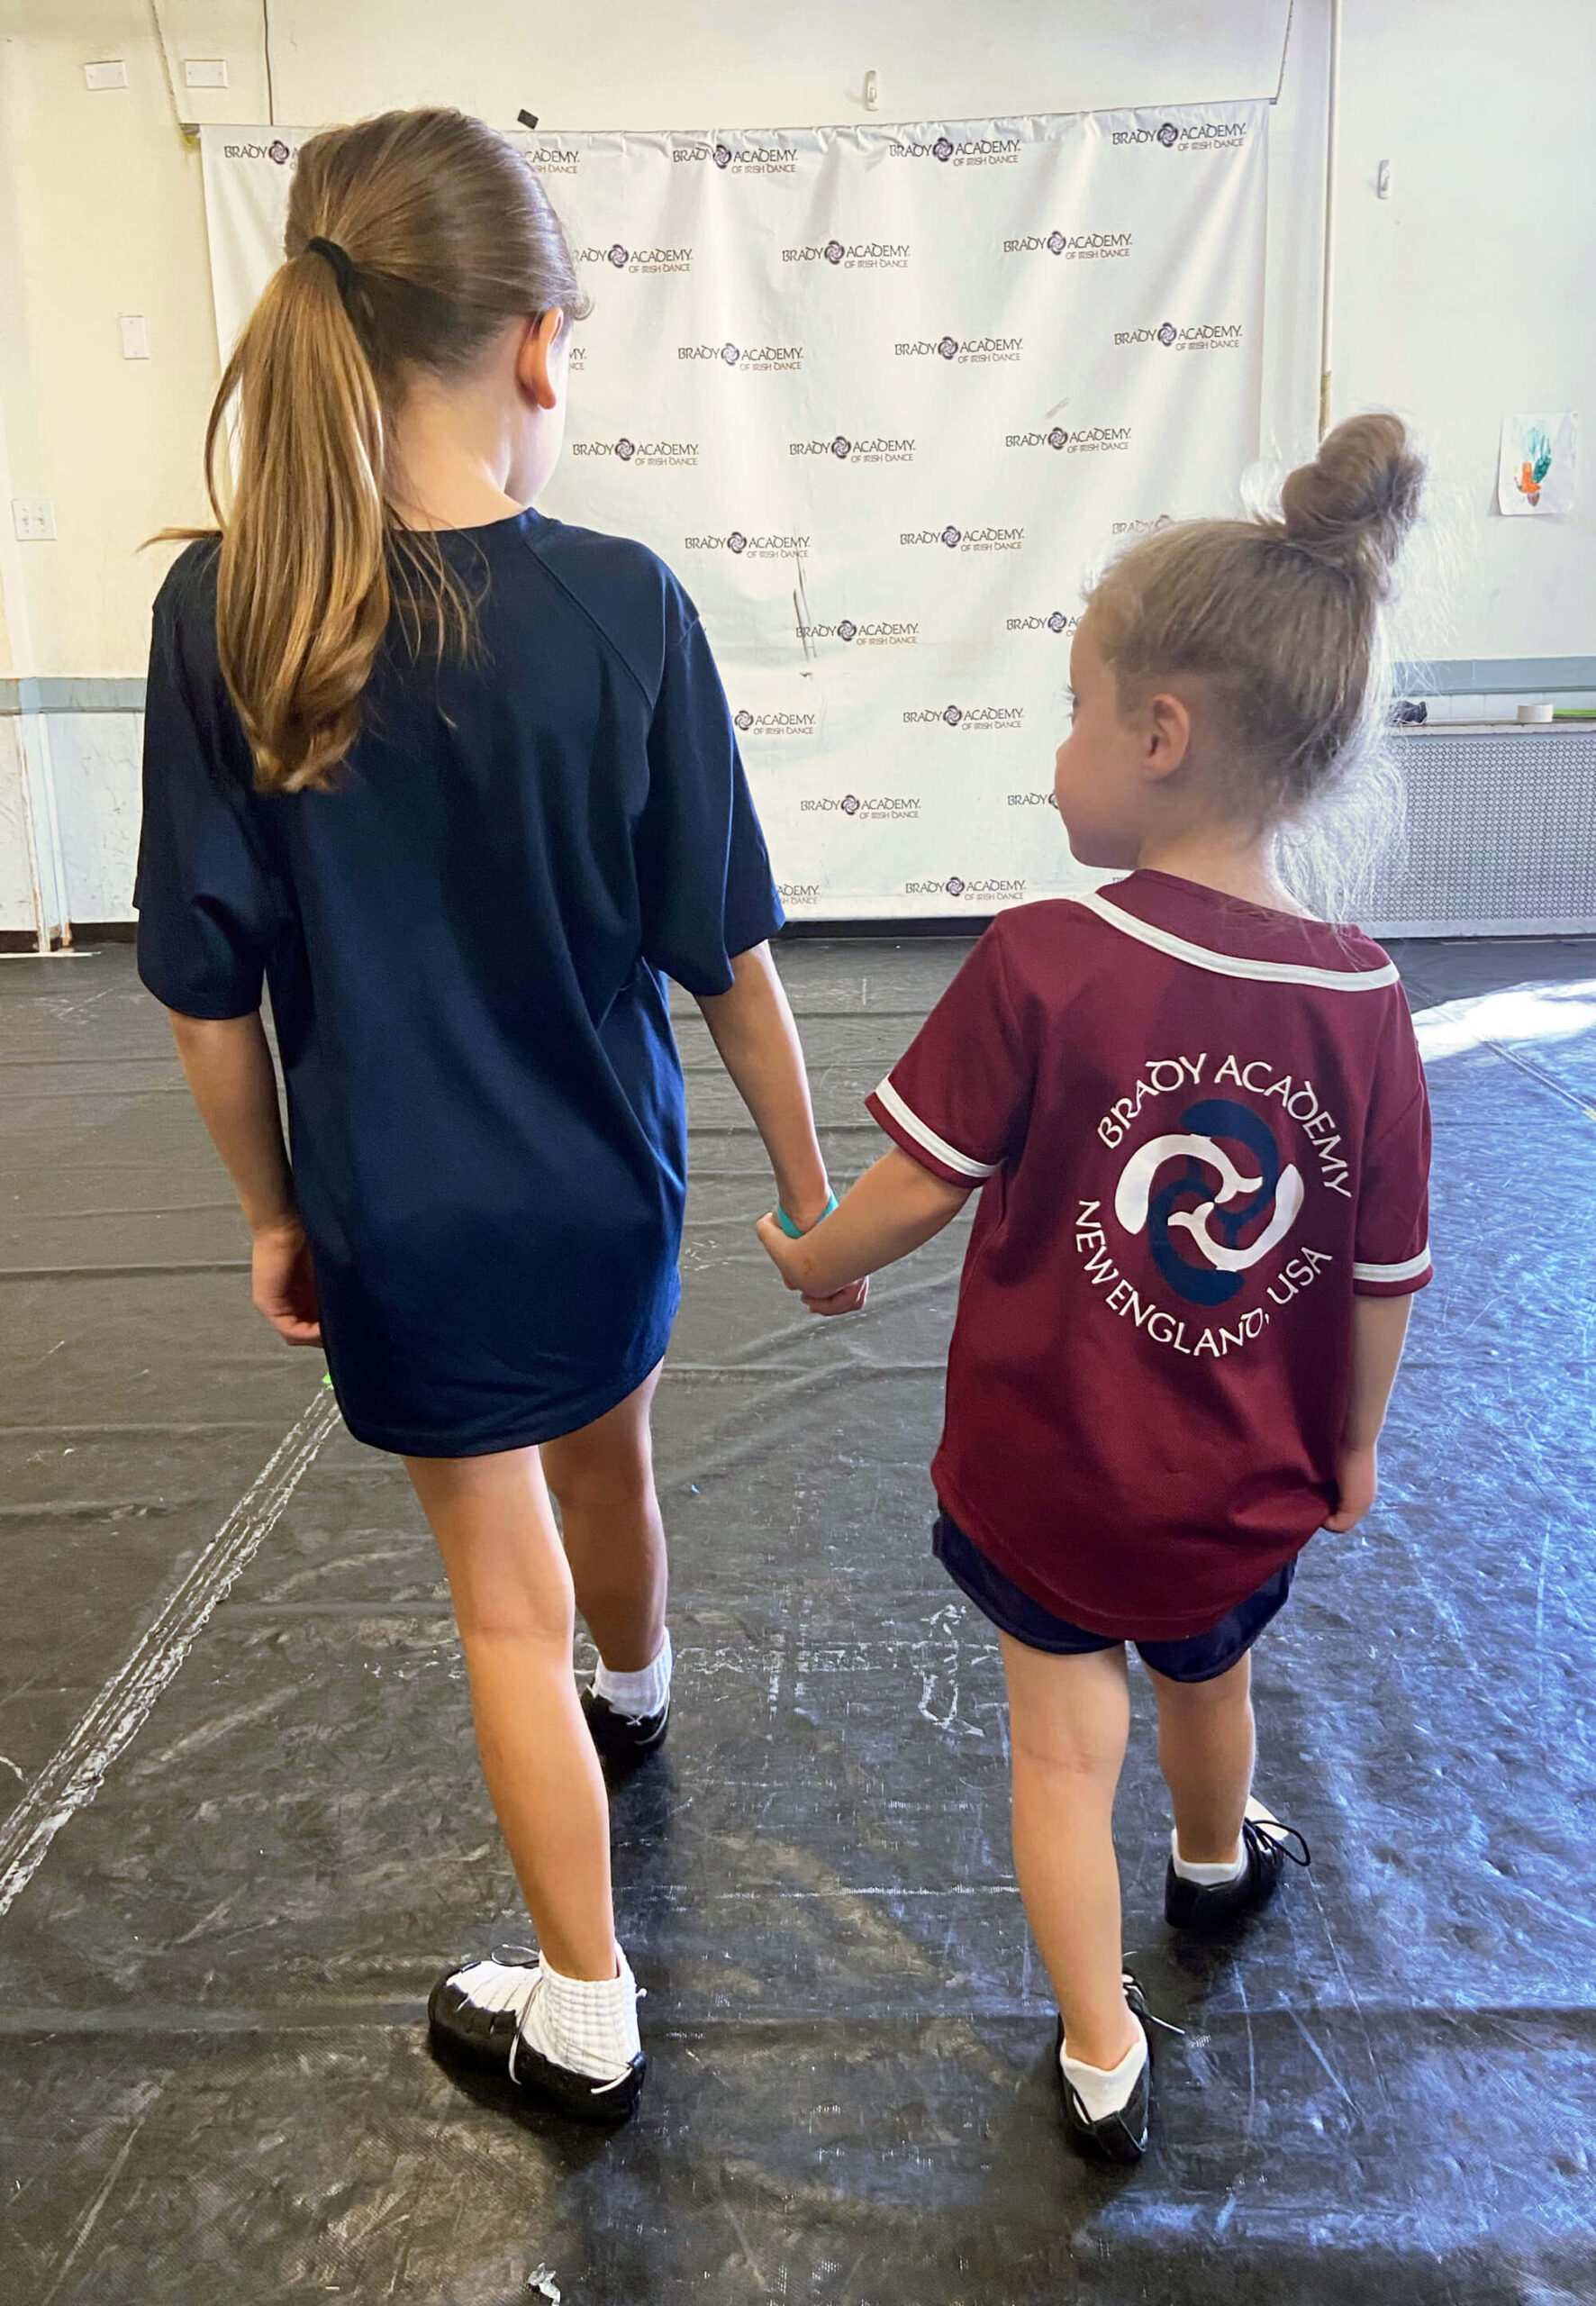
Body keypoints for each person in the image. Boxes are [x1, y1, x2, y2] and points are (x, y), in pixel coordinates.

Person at [135, 107, 853, 2126]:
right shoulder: (626, 603)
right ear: (540, 347)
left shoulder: (228, 619)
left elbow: (207, 997)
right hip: (611, 1194)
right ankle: (639, 1698)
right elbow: (730, 959)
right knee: (612, 1461)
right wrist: (806, 1191)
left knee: (494, 1599)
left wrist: (275, 1215)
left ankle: (589, 2001)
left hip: (408, 1223)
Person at [758, 413, 1432, 2165]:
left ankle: (1097, 2047)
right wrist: (1348, 1449)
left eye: (1071, 713)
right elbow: (1379, 1277)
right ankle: (1213, 1868)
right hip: (1237, 1487)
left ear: (1159, 732)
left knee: (1062, 1754)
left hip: (1048, 1478)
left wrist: (811, 1258)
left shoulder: (1043, 961)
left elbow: (908, 1190)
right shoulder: (1361, 1001)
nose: (1056, 753)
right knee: (1210, 1678)